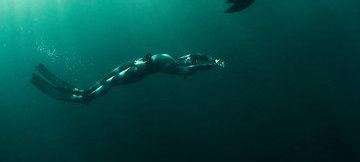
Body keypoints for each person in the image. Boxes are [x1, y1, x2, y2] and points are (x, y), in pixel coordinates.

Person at [31, 53, 225, 103]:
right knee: (106, 77)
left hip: (137, 72)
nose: (190, 58)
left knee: (111, 82)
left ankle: (86, 98)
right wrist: (214, 59)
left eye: (191, 61)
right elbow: (198, 55)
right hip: (136, 62)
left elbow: (195, 68)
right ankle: (84, 91)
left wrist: (211, 66)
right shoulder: (181, 59)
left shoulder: (178, 67)